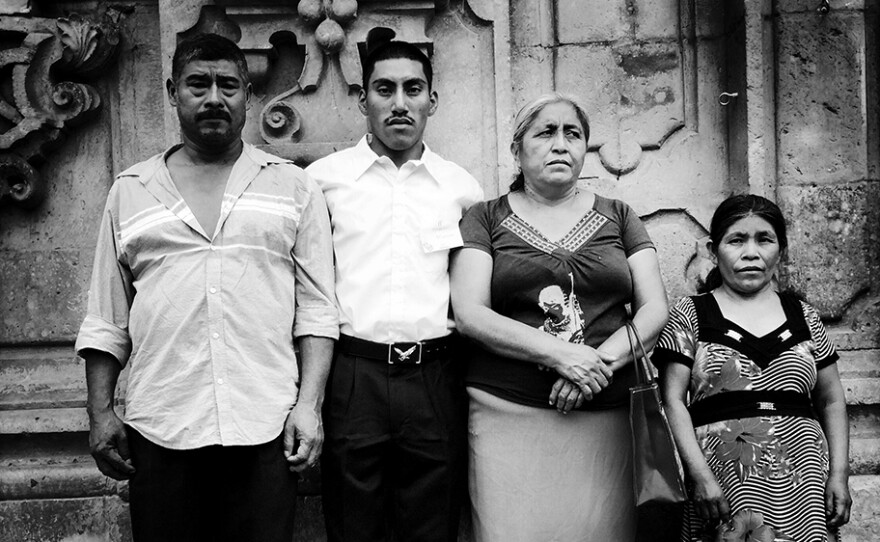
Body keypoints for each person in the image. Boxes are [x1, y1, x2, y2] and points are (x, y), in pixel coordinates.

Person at [75, 33, 338, 542]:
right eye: (198, 84)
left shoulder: (292, 185)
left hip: (264, 423)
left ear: (247, 94)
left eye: (228, 85)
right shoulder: (131, 190)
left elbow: (318, 310)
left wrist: (309, 406)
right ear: (173, 92)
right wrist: (100, 412)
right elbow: (107, 318)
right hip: (161, 425)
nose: (214, 98)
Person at [449, 93, 668, 541]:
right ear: (517, 148)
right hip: (505, 411)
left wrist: (595, 365)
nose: (561, 144)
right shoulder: (485, 218)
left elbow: (655, 309)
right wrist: (560, 356)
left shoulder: (619, 215)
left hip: (607, 413)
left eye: (573, 133)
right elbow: (470, 313)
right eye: (545, 132)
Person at [306, 38, 483, 542]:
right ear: (363, 99)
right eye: (385, 89)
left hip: (435, 377)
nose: (400, 103)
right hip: (353, 375)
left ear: (432, 99)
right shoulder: (323, 182)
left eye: (413, 89)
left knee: (435, 523)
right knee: (352, 524)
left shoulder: (460, 187)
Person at [654, 194, 852, 541]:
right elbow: (672, 401)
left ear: (781, 249)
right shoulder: (691, 314)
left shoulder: (803, 316)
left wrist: (839, 473)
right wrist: (698, 474)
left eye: (764, 239)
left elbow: (832, 400)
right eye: (736, 240)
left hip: (803, 485)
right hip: (720, 483)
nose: (750, 252)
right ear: (714, 251)